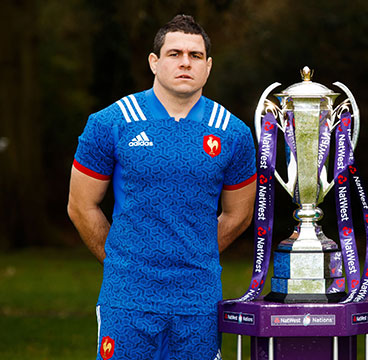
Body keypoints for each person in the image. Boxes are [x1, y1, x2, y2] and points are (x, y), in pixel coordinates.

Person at [67, 15, 256, 360]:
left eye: (195, 56)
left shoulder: (234, 133)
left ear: (208, 66)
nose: (185, 62)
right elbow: (81, 206)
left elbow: (239, 214)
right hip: (127, 299)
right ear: (154, 62)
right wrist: (122, 261)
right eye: (174, 53)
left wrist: (193, 255)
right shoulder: (110, 123)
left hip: (198, 300)